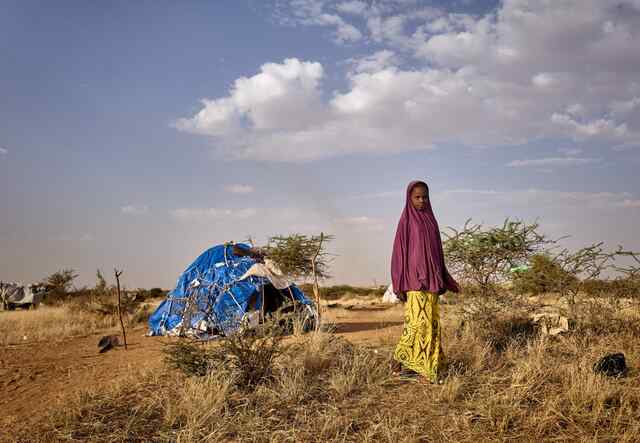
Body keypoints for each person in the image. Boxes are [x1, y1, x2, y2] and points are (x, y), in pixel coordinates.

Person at [391, 180, 459, 383]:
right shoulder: (406, 222)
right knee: (418, 326)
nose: (421, 201)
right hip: (414, 282)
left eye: (425, 197)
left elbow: (438, 254)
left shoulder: (431, 221)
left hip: (432, 283)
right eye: (417, 197)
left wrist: (446, 279)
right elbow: (398, 255)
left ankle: (416, 365)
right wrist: (398, 283)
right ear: (409, 198)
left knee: (431, 325)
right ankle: (407, 364)